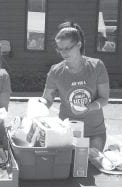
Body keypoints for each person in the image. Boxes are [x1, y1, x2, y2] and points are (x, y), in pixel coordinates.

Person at [40, 21, 110, 151]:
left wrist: (88, 107)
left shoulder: (96, 66)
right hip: (67, 133)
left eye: (68, 48)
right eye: (60, 49)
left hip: (95, 133)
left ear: (79, 44)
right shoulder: (55, 71)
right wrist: (39, 104)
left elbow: (104, 98)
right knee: (68, 169)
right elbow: (47, 99)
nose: (64, 53)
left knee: (92, 168)